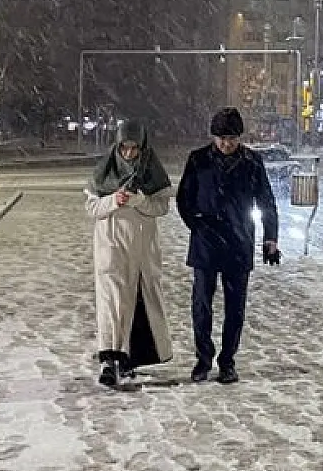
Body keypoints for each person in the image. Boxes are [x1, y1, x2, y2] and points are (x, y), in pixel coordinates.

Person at [175, 106, 279, 384]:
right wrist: (197, 226)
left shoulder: (252, 162)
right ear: (213, 137)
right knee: (201, 306)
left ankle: (227, 361)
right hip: (206, 243)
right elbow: (184, 198)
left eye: (231, 138)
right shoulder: (198, 160)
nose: (225, 143)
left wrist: (271, 238)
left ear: (239, 137)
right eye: (220, 137)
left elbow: (267, 202)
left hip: (239, 241)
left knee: (235, 308)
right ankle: (203, 360)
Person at [85, 118, 175, 388]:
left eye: (135, 148)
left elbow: (161, 207)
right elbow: (92, 208)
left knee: (136, 303)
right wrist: (114, 200)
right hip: (110, 249)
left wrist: (140, 200)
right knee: (111, 303)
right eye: (124, 148)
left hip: (141, 250)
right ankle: (109, 358)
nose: (129, 154)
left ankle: (128, 357)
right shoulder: (105, 173)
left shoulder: (152, 172)